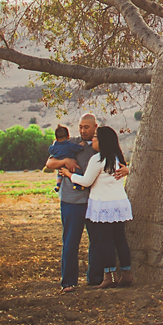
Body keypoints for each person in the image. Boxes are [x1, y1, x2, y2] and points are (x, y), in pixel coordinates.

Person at [45, 113, 128, 292]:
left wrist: (127, 169)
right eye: (80, 127)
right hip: (71, 201)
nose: (82, 131)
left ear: (95, 127)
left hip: (93, 202)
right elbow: (49, 163)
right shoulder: (71, 143)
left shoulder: (100, 147)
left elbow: (118, 161)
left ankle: (95, 278)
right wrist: (64, 161)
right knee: (70, 241)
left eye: (87, 127)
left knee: (97, 241)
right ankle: (69, 282)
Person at [48, 125, 83, 194]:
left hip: (60, 165)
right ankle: (76, 184)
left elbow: (50, 150)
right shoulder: (70, 145)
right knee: (78, 172)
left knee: (60, 174)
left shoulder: (55, 147)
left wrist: (54, 144)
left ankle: (58, 185)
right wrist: (81, 146)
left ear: (56, 138)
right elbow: (78, 148)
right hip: (71, 164)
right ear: (68, 136)